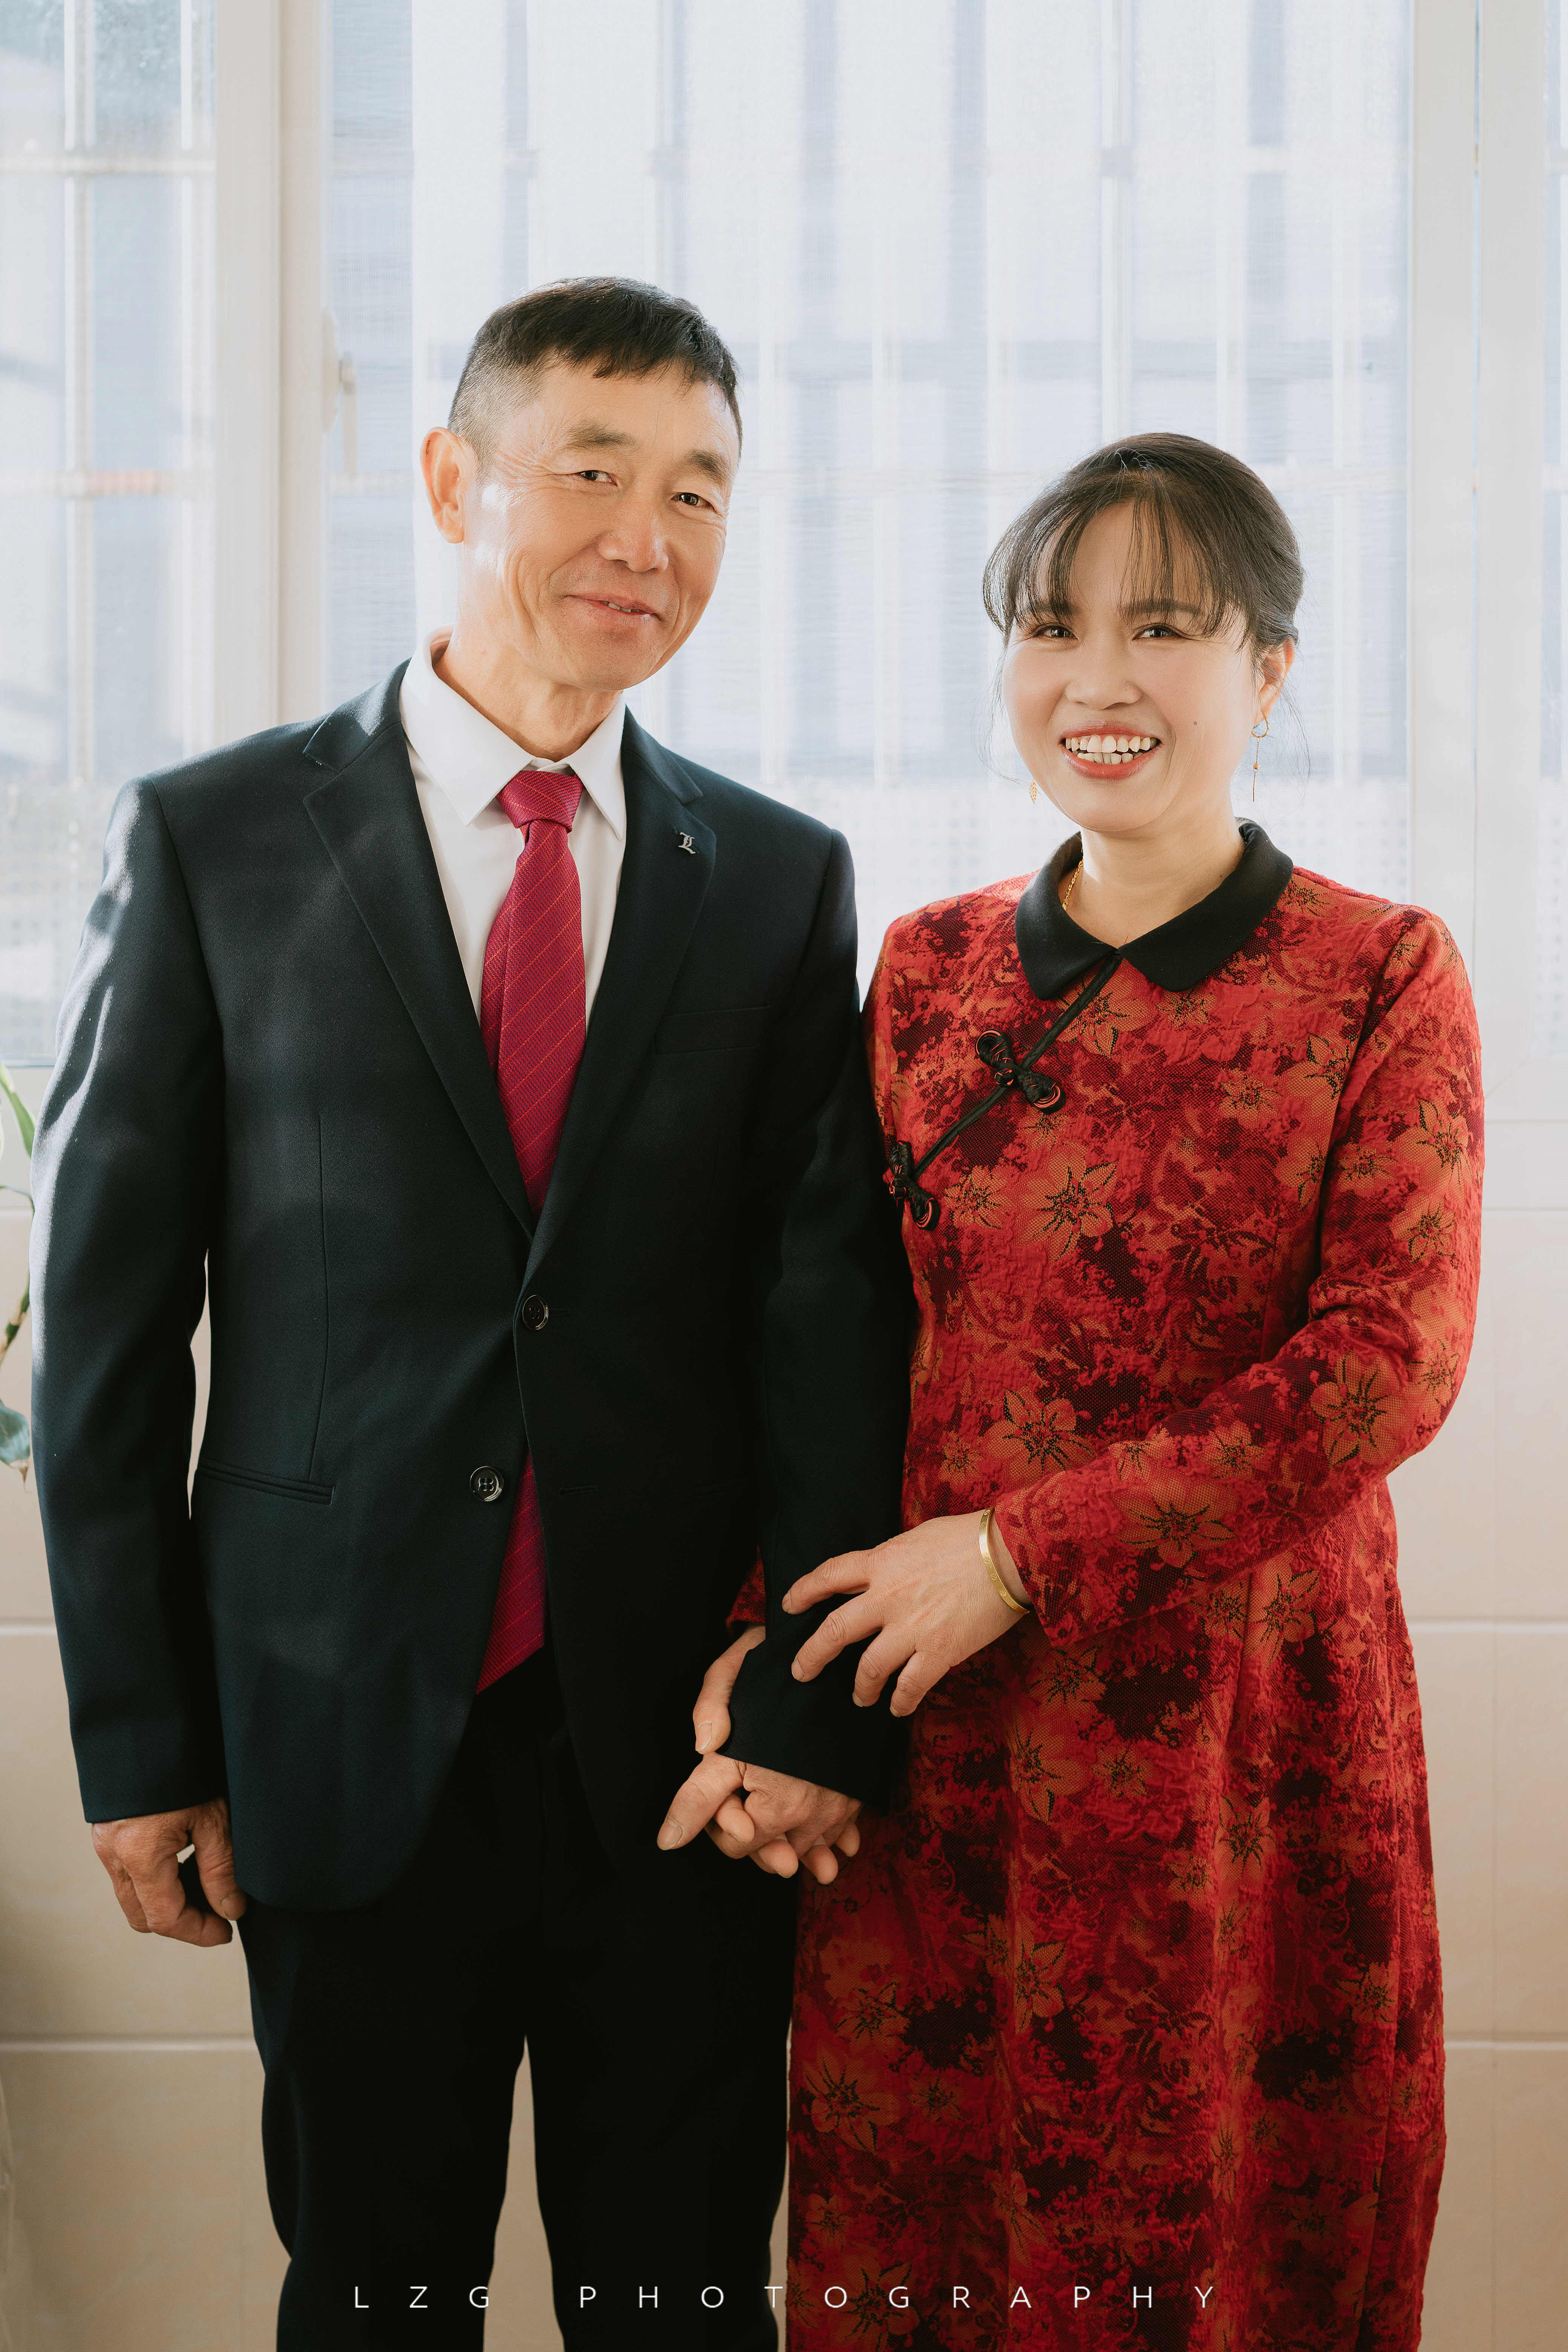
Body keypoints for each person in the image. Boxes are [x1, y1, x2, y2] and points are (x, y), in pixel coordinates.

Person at [28, 278, 912, 2347]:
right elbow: (106, 1336)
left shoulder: (775, 877)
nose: (646, 538)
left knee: (680, 2300)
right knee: (374, 2295)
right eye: (590, 471)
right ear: (451, 480)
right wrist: (139, 1744)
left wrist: (810, 1709)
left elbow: (825, 1325)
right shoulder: (214, 841)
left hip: (682, 1754)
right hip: (332, 1728)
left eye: (697, 491)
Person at [685, 433, 1481, 2349]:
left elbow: (1386, 1356)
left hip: (1242, 1744)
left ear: (1267, 669)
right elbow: (833, 1334)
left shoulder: (1379, 971)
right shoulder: (927, 967)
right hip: (939, 1732)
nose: (1094, 679)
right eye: (1048, 628)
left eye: (1162, 627)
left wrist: (1013, 1556)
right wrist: (772, 1651)